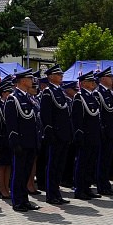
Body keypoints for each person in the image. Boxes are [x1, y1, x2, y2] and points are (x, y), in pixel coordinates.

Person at [4, 71, 41, 212]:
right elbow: (11, 124)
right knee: (18, 173)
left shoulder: (28, 98)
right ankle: (17, 201)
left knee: (26, 173)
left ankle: (24, 199)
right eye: (29, 78)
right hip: (20, 143)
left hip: (30, 141)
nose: (32, 81)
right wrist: (15, 142)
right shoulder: (13, 99)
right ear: (22, 81)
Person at [38, 65, 72, 205]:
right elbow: (46, 114)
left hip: (63, 134)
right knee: (53, 165)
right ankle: (51, 194)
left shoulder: (59, 91)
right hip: (55, 134)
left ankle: (56, 192)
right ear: (50, 76)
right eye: (58, 74)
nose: (61, 76)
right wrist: (49, 131)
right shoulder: (48, 92)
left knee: (59, 165)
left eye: (61, 74)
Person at [71, 71, 102, 200]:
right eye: (90, 81)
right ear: (83, 83)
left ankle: (87, 187)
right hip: (85, 135)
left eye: (93, 81)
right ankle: (79, 189)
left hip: (94, 135)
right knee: (82, 163)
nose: (93, 83)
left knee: (90, 163)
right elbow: (77, 118)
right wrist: (79, 133)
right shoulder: (79, 97)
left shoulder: (92, 97)